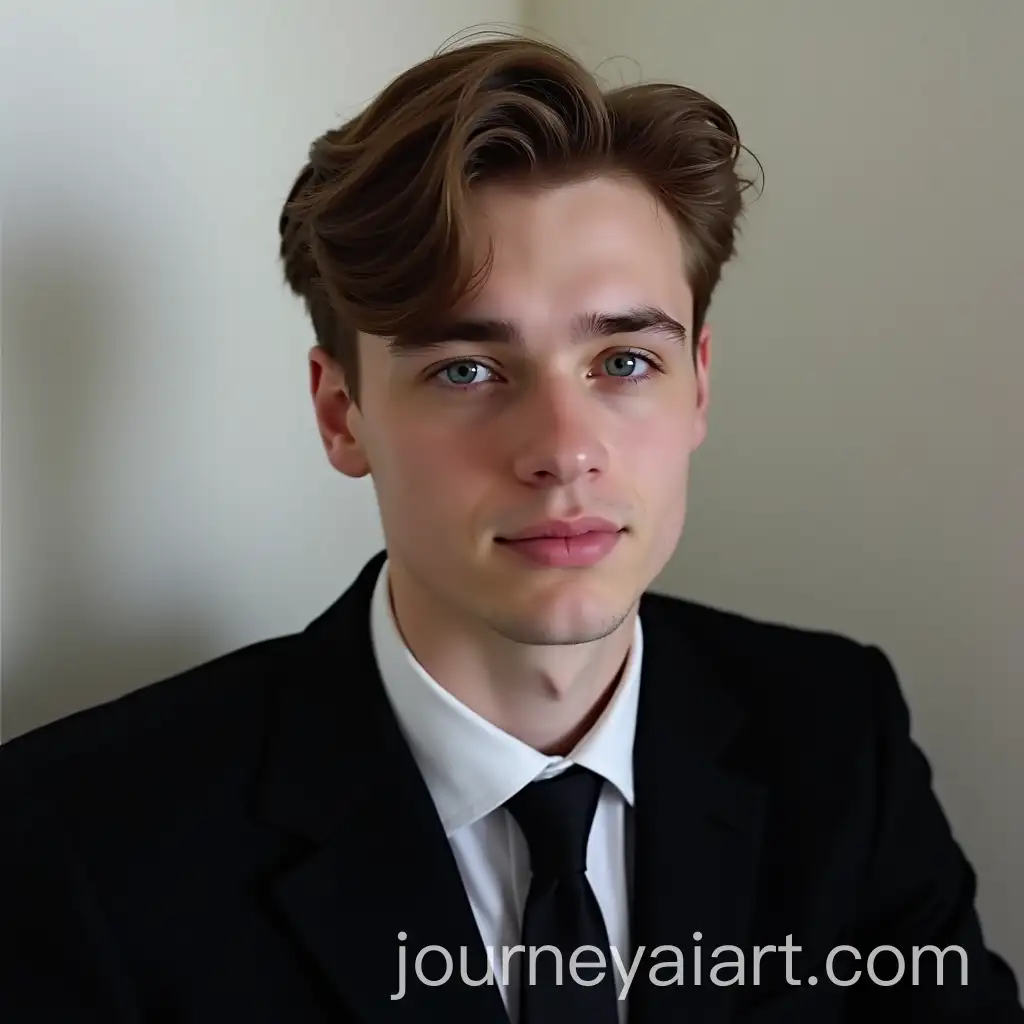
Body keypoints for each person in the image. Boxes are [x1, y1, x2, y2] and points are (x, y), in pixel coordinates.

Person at [1, 32, 1020, 1024]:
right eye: (466, 369)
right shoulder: (78, 837)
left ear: (697, 385)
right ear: (340, 412)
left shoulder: (840, 738)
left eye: (624, 361)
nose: (561, 449)